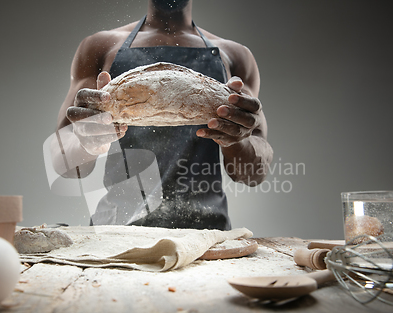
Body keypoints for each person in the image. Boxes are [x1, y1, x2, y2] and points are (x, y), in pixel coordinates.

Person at [51, 0, 273, 230]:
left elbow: (254, 174)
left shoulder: (235, 56)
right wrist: (86, 142)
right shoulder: (100, 47)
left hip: (205, 235)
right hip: (118, 232)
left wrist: (237, 141)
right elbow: (63, 163)